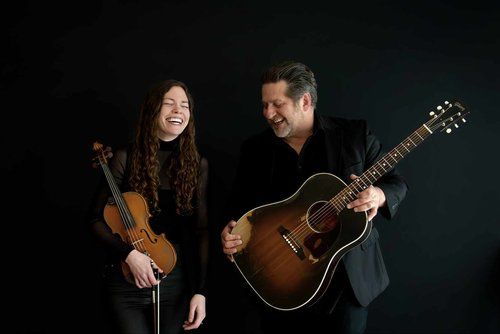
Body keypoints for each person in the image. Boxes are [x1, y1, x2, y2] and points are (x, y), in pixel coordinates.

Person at [220, 61, 408, 333]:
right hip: (280, 280)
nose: (268, 113)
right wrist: (228, 230)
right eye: (264, 105)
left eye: (277, 104)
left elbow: (396, 182)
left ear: (305, 101)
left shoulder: (354, 135)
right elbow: (238, 206)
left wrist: (378, 194)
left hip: (347, 281)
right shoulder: (255, 149)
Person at [88, 79, 208, 334]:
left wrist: (200, 291)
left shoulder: (197, 165)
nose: (178, 111)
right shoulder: (125, 157)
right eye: (169, 104)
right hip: (125, 278)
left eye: (185, 105)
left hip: (175, 281)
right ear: (153, 110)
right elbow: (94, 220)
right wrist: (129, 254)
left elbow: (201, 231)